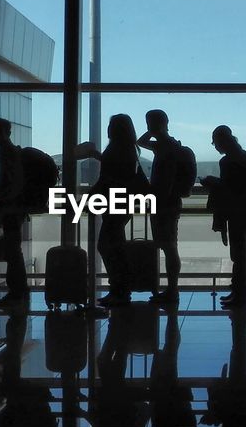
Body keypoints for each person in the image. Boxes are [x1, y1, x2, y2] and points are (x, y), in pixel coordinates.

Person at [78, 114, 149, 307]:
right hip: (122, 203)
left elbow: (108, 177)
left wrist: (90, 196)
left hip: (114, 204)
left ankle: (120, 288)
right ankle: (120, 289)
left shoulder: (117, 149)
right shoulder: (128, 149)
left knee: (109, 246)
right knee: (114, 246)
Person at [199, 125, 246, 309]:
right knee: (240, 255)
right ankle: (240, 292)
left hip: (236, 213)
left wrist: (210, 182)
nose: (215, 146)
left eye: (215, 142)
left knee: (238, 255)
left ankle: (240, 294)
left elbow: (228, 188)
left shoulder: (227, 162)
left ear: (221, 141)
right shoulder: (244, 157)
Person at [137, 109, 183, 304]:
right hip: (167, 203)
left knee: (169, 247)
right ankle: (172, 289)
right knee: (169, 246)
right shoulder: (168, 145)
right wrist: (157, 130)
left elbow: (140, 142)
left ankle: (172, 290)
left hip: (164, 204)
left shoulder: (166, 148)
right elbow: (141, 142)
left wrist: (153, 130)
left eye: (150, 123)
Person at [0, 118, 29, 305]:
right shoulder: (13, 152)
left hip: (11, 209)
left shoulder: (7, 153)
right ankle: (20, 290)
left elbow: (10, 183)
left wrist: (3, 206)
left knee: (12, 251)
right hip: (15, 208)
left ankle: (16, 291)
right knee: (14, 251)